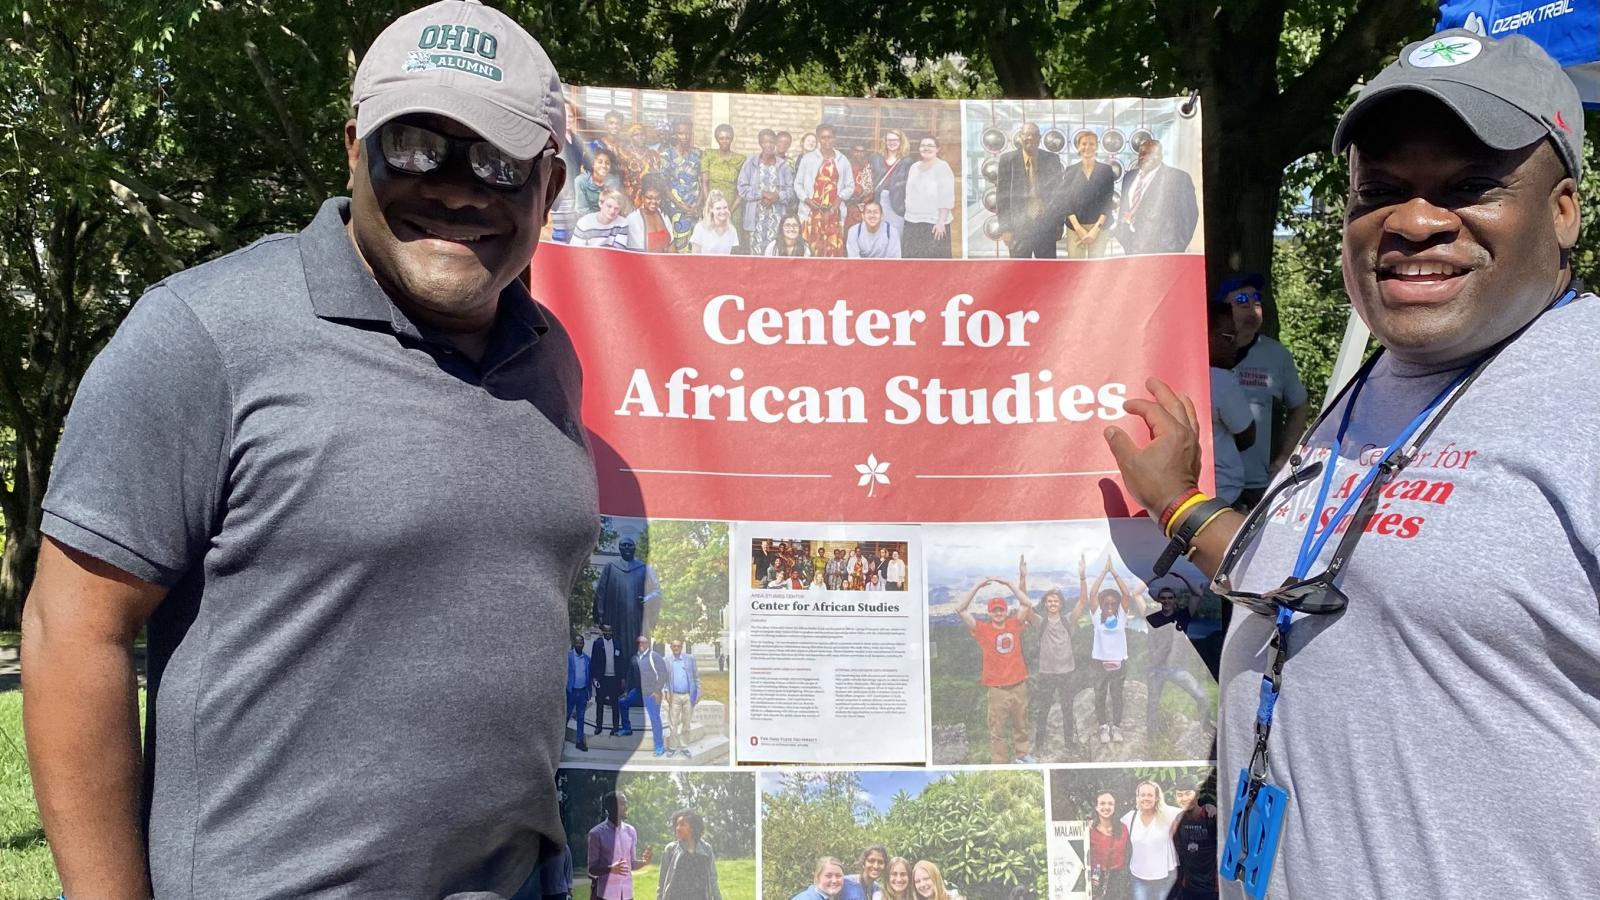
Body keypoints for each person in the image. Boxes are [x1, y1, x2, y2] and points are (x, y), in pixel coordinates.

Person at [19, 3, 596, 896]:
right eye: (415, 146)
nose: (454, 186)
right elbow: (71, 630)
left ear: (548, 188)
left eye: (497, 161)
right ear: (354, 146)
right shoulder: (203, 336)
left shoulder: (548, 357)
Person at [1101, 29, 1596, 899]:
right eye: (1381, 190)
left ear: (1562, 210)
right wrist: (1180, 505)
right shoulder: (1380, 378)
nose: (1413, 221)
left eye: (1469, 186)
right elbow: (1317, 575)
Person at [1220, 272, 1308, 508]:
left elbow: (1299, 405)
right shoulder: (1202, 351)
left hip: (1257, 483)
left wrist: (1284, 459)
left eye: (1256, 303)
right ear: (1222, 310)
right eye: (1241, 303)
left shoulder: (1276, 355)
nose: (1252, 310)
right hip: (1211, 481)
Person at [955, 560, 1037, 763]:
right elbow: (961, 609)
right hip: (997, 690)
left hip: (1019, 685)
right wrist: (977, 586)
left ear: (1006, 611)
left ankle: (1022, 755)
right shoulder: (982, 630)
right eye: (995, 610)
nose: (998, 613)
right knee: (997, 729)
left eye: (1001, 609)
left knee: (1021, 724)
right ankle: (1000, 762)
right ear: (989, 613)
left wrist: (1010, 584)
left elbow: (1027, 604)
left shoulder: (1015, 624)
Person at [1141, 580, 1209, 745]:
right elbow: (1136, 595)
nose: (1166, 600)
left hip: (1176, 669)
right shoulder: (1152, 617)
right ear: (1159, 601)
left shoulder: (1182, 616)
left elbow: (1197, 595)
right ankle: (1152, 739)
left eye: (1170, 597)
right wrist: (1151, 578)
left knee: (1201, 697)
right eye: (1163, 598)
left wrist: (1182, 577)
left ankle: (1205, 728)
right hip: (1156, 669)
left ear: (1174, 600)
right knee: (1153, 704)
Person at [1024, 556, 1076, 757]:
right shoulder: (1039, 622)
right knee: (1043, 710)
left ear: (1061, 604)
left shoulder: (1068, 620)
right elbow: (1025, 605)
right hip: (1046, 673)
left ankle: (1069, 744)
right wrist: (1023, 577)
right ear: (1045, 604)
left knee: (1067, 710)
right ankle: (1039, 745)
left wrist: (1081, 577)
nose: (1052, 603)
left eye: (1056, 601)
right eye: (1049, 601)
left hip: (1067, 673)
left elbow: (1082, 601)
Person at [594, 532, 663, 682]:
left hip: (636, 619)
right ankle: (617, 687)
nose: (626, 548)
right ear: (619, 548)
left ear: (634, 548)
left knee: (637, 650)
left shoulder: (644, 569)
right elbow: (600, 593)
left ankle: (636, 686)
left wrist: (647, 598)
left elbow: (657, 591)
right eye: (623, 545)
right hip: (614, 619)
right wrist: (600, 617)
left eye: (629, 545)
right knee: (614, 653)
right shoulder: (610, 568)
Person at [1206, 299, 1256, 506]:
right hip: (1223, 495)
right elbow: (1247, 435)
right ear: (1205, 336)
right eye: (1228, 337)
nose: (1235, 343)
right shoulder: (1219, 379)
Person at [1113, 138, 1197, 255]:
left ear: (1161, 156)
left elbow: (1189, 216)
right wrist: (1123, 235)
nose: (1145, 157)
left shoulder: (1178, 178)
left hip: (1162, 251)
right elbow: (1124, 208)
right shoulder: (1129, 177)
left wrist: (1175, 248)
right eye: (1142, 153)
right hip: (1131, 249)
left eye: (1151, 153)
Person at [995, 122, 1064, 258]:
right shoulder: (1008, 160)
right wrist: (1005, 228)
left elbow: (1058, 195)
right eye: (1027, 135)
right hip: (1018, 228)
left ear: (1040, 138)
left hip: (1046, 226)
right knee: (1019, 271)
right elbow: (1001, 197)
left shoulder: (1052, 159)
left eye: (1034, 135)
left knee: (1046, 271)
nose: (1030, 138)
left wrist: (1059, 224)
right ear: (1020, 137)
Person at [794, 123, 855, 257]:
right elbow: (797, 184)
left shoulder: (842, 160)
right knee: (810, 250)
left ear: (835, 138)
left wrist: (839, 200)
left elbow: (850, 186)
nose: (827, 141)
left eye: (830, 137)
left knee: (832, 251)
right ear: (818, 139)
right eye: (823, 137)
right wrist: (807, 200)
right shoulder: (808, 159)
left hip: (833, 214)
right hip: (811, 214)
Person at [1060, 130, 1116, 259]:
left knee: (1095, 270)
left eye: (1092, 143)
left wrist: (1096, 229)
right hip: (1075, 228)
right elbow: (1066, 202)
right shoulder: (1070, 171)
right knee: (1075, 268)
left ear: (1097, 146)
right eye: (1084, 143)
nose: (1088, 147)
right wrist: (1078, 229)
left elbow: (1107, 202)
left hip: (1100, 228)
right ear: (1078, 146)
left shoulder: (1106, 170)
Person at [737, 130, 794, 255]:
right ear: (760, 143)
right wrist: (762, 194)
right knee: (756, 256)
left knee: (775, 253)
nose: (768, 145)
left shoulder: (783, 165)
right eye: (764, 142)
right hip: (756, 219)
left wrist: (777, 196)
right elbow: (742, 189)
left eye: (771, 142)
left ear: (775, 143)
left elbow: (791, 191)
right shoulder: (751, 163)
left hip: (777, 218)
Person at [589, 791, 654, 900]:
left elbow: (632, 864)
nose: (626, 807)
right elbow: (592, 869)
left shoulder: (631, 831)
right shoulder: (596, 833)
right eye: (622, 803)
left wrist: (644, 862)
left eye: (626, 803)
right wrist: (610, 869)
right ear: (611, 807)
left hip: (627, 894)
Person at [1119, 781, 1177, 900]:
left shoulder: (1168, 814)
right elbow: (1111, 829)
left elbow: (1191, 809)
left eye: (1150, 795)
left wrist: (1208, 807)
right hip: (1139, 877)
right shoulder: (1130, 817)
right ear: (1138, 797)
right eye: (1143, 795)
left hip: (1166, 877)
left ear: (1156, 798)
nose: (1146, 798)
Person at [902, 134, 954, 258]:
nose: (926, 148)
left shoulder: (942, 167)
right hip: (912, 222)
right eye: (923, 145)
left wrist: (941, 222)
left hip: (934, 224)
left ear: (937, 149)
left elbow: (946, 197)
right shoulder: (914, 167)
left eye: (930, 145)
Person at [1168, 779, 1218, 900]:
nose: (1184, 798)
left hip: (1211, 887)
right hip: (1188, 887)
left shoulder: (1210, 815)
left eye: (1188, 793)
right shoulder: (1178, 820)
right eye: (1180, 795)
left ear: (1197, 794)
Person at [657, 808, 722, 900]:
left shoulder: (706, 849)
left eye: (682, 825)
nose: (678, 828)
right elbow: (662, 882)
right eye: (677, 825)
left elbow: (712, 880)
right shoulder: (670, 850)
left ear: (693, 828)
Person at [663, 120, 705, 251]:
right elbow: (665, 185)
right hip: (677, 206)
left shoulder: (698, 154)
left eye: (687, 134)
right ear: (675, 134)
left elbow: (702, 181)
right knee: (680, 244)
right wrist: (679, 204)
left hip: (696, 206)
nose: (685, 137)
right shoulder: (667, 155)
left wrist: (698, 204)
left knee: (697, 243)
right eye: (681, 133)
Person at [1086, 791, 1130, 899]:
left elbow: (1128, 854)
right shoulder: (1089, 830)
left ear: (1114, 807)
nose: (1106, 807)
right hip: (1096, 879)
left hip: (1118, 881)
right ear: (1096, 807)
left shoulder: (1123, 829)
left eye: (1110, 804)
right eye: (1102, 803)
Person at [635, 636, 673, 757]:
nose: (641, 644)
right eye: (639, 642)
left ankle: (659, 747)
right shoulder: (637, 657)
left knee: (655, 720)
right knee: (623, 703)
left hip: (652, 695)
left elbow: (663, 674)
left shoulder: (654, 656)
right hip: (639, 693)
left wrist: (657, 691)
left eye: (644, 642)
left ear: (648, 643)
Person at [592, 624, 630, 737]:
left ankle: (615, 727)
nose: (608, 633)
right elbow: (594, 661)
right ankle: (599, 726)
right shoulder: (597, 644)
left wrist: (622, 678)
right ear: (602, 632)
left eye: (610, 631)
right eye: (606, 631)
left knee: (615, 704)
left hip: (614, 679)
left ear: (612, 632)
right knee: (600, 703)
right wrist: (594, 678)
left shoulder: (617, 644)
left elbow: (621, 661)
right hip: (602, 679)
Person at [665, 637, 700, 759]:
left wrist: (697, 694)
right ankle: (673, 748)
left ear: (681, 647)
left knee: (686, 723)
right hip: (674, 696)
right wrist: (666, 692)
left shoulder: (690, 659)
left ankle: (684, 747)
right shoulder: (667, 661)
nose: (676, 648)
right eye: (674, 646)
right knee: (673, 724)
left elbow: (696, 678)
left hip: (688, 696)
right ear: (671, 647)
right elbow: (664, 679)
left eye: (678, 646)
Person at [704, 125, 744, 227]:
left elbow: (742, 188)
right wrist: (710, 205)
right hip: (713, 203)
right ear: (717, 139)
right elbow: (704, 183)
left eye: (727, 138)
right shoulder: (709, 155)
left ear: (732, 139)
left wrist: (730, 209)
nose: (724, 141)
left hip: (733, 204)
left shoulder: (740, 159)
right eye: (721, 138)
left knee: (732, 237)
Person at [876, 129, 909, 251]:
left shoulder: (907, 161)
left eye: (895, 140)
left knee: (895, 238)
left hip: (897, 203)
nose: (892, 142)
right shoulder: (877, 158)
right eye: (889, 140)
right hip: (879, 201)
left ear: (901, 142)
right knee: (879, 237)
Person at [626, 183, 673, 253]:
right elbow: (635, 253)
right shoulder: (633, 218)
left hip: (665, 262)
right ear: (642, 197)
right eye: (649, 198)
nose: (654, 202)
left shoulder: (663, 214)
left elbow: (671, 244)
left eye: (657, 198)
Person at [576, 148, 624, 216]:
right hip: (588, 220)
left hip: (609, 218)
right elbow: (582, 209)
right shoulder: (581, 181)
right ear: (592, 164)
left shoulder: (614, 181)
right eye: (600, 162)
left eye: (607, 163)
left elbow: (614, 205)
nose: (604, 166)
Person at [690, 190, 740, 255]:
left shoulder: (732, 230)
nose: (723, 211)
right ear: (711, 209)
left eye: (725, 208)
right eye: (718, 208)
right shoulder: (700, 228)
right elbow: (695, 257)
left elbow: (733, 258)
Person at [567, 633, 593, 752]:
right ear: (574, 644)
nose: (579, 645)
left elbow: (589, 675)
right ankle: (560, 741)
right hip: (571, 692)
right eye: (577, 643)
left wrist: (589, 692)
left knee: (581, 718)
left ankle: (579, 742)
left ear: (584, 644)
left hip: (582, 692)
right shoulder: (569, 657)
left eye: (581, 643)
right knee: (566, 716)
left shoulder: (587, 659)